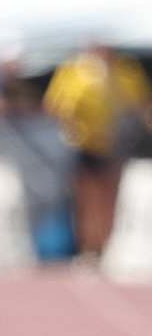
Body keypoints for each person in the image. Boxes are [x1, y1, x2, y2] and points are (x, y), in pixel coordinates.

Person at [42, 41, 152, 259]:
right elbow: (54, 106)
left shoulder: (125, 72)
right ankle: (88, 248)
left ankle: (105, 247)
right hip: (84, 145)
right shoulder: (74, 71)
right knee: (86, 200)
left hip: (115, 145)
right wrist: (71, 124)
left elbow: (141, 104)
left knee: (111, 199)